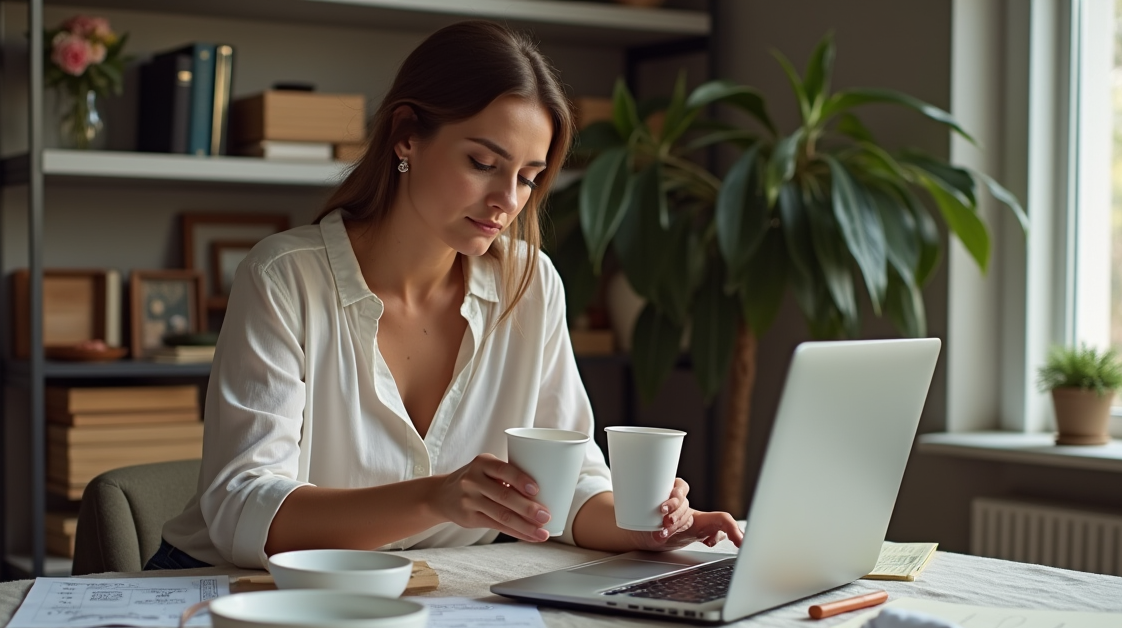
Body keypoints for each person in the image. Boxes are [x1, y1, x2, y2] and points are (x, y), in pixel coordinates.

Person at [151, 20, 742, 571]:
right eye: (484, 162)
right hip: (223, 586)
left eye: (529, 177)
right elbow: (243, 508)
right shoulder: (286, 277)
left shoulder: (529, 284)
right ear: (407, 135)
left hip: (428, 590)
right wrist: (436, 498)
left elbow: (571, 487)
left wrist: (646, 526)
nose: (508, 201)